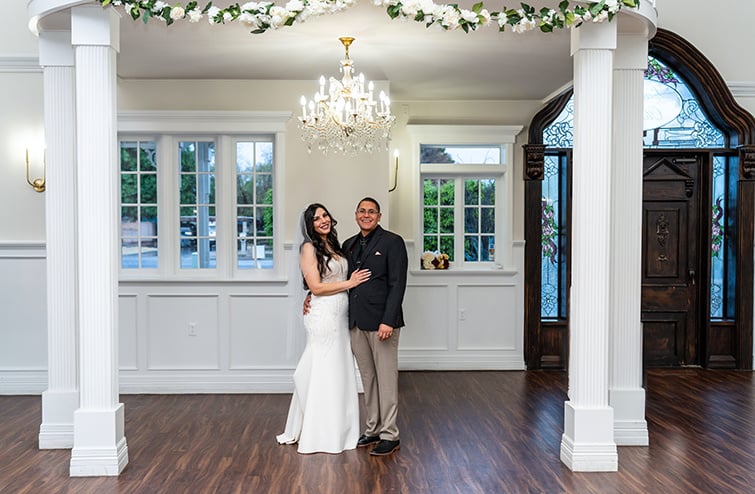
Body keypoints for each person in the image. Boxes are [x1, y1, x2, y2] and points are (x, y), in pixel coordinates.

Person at [276, 203, 371, 454]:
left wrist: (345, 285)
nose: (323, 220)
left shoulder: (334, 245)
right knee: (324, 369)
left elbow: (326, 281)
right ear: (310, 225)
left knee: (338, 369)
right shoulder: (308, 247)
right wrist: (349, 282)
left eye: (325, 215)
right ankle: (320, 432)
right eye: (317, 218)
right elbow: (316, 288)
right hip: (323, 317)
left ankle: (340, 429)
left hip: (340, 315)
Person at [343, 197, 408, 456]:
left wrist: (388, 320)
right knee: (368, 379)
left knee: (386, 379)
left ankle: (390, 434)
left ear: (379, 216)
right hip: (357, 322)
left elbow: (397, 283)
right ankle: (372, 429)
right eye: (362, 211)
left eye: (371, 211)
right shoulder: (348, 244)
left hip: (382, 323)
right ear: (356, 214)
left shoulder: (393, 242)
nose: (366, 215)